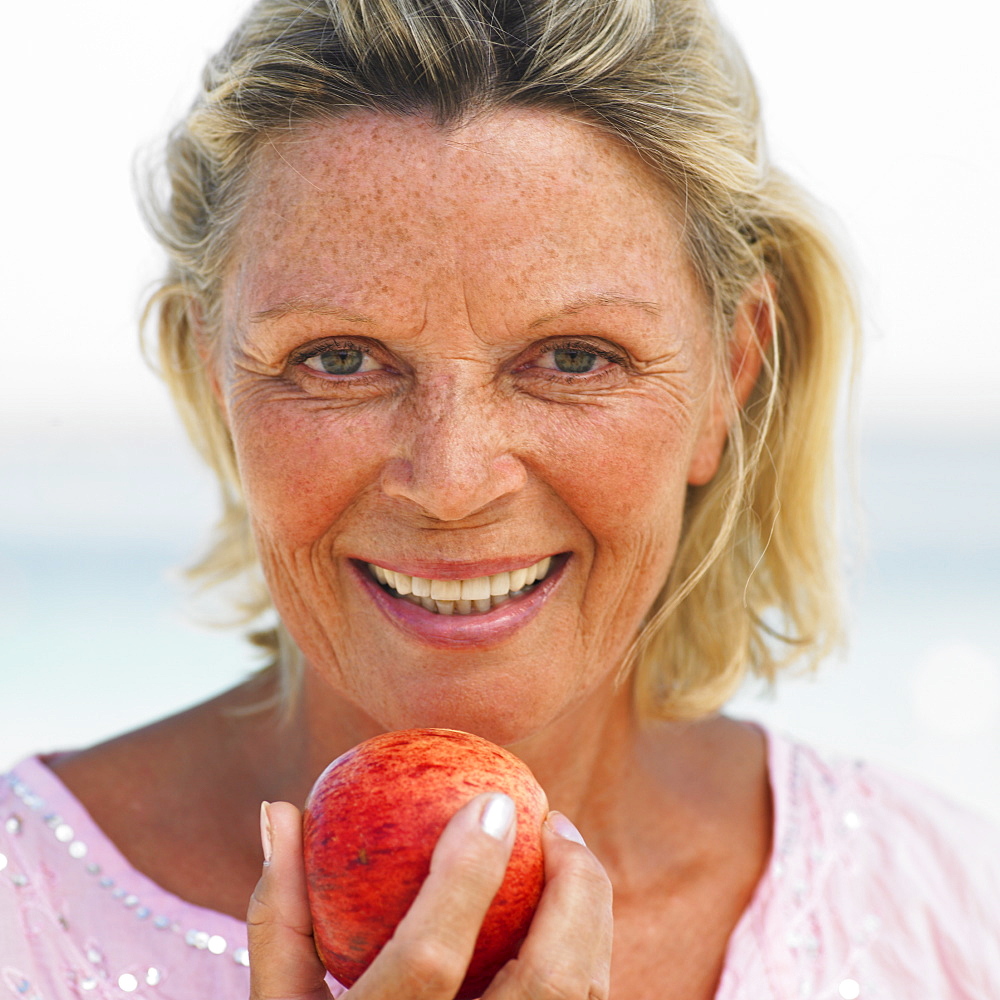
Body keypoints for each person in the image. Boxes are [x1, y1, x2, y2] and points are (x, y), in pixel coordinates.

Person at [2, 1, 997, 997]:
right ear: (215, 378)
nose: (450, 483)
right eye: (339, 360)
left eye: (573, 358)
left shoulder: (948, 911)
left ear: (728, 375)